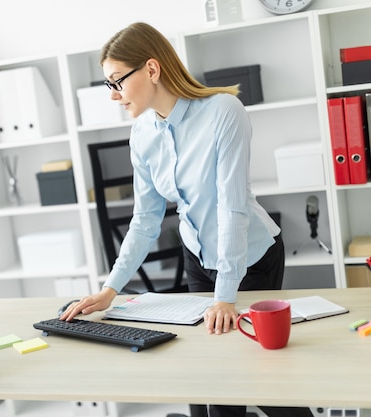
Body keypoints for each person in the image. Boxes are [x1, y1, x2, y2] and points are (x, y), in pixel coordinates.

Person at [60, 22, 313, 417]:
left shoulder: (222, 112)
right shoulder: (142, 133)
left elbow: (232, 208)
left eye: (116, 82)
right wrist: (110, 289)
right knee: (211, 373)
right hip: (197, 257)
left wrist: (226, 296)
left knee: (257, 374)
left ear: (152, 69)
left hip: (249, 257)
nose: (113, 96)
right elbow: (145, 219)